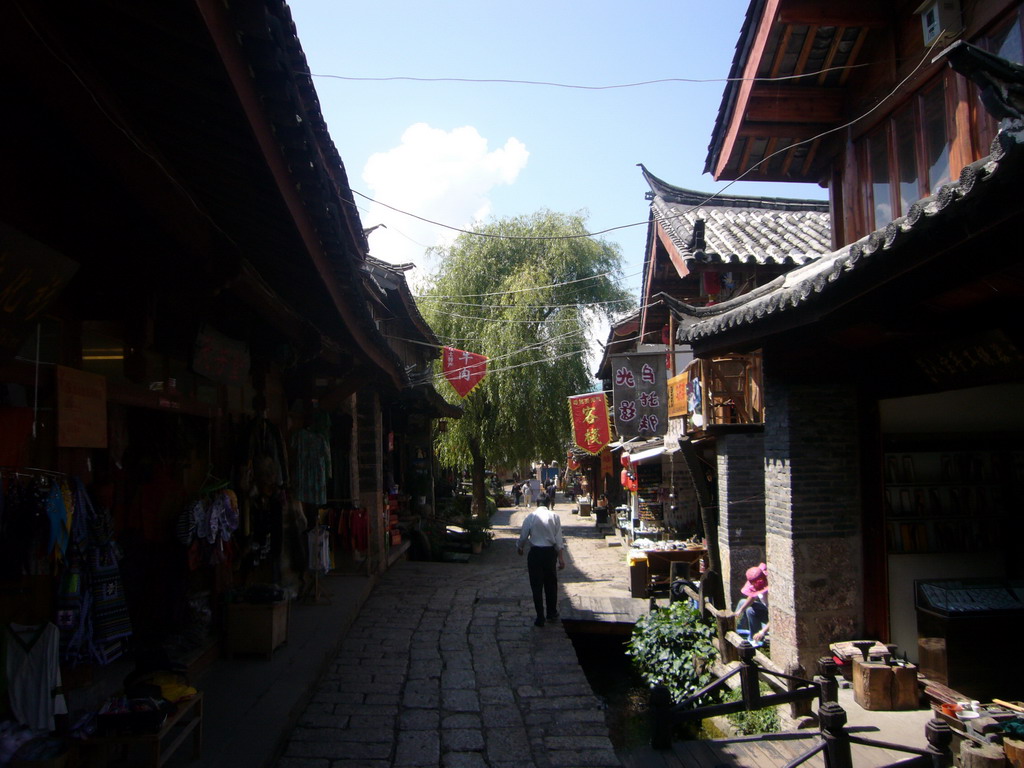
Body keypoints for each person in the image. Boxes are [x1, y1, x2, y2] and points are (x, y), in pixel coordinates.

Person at [517, 501, 565, 626]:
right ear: (549, 503)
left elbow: (523, 535)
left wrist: (520, 547)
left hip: (535, 554)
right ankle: (551, 613)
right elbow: (559, 539)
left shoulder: (531, 517)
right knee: (551, 584)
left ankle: (540, 617)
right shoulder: (554, 516)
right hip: (550, 554)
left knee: (536, 586)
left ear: (537, 503)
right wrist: (561, 558)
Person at [734, 562, 769, 644]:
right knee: (742, 603)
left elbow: (775, 617)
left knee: (751, 611)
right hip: (765, 610)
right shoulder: (757, 587)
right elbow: (752, 596)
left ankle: (755, 640)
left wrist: (762, 632)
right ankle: (738, 631)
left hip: (771, 616)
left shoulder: (770, 592)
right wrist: (740, 610)